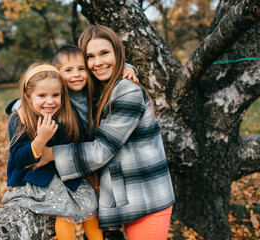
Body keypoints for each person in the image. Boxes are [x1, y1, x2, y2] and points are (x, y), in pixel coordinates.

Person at [34, 25, 175, 240]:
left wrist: (49, 154)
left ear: (117, 52)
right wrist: (22, 106)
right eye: (90, 56)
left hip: (147, 197)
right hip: (122, 198)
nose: (97, 62)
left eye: (104, 53)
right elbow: (50, 82)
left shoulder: (128, 91)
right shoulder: (100, 89)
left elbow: (101, 150)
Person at [1, 63, 103, 240]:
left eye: (56, 95)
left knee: (91, 203)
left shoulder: (66, 114)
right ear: (28, 96)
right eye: (42, 95)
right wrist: (40, 140)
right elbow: (18, 158)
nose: (50, 101)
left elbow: (76, 146)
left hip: (63, 175)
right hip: (34, 179)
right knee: (64, 209)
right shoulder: (20, 120)